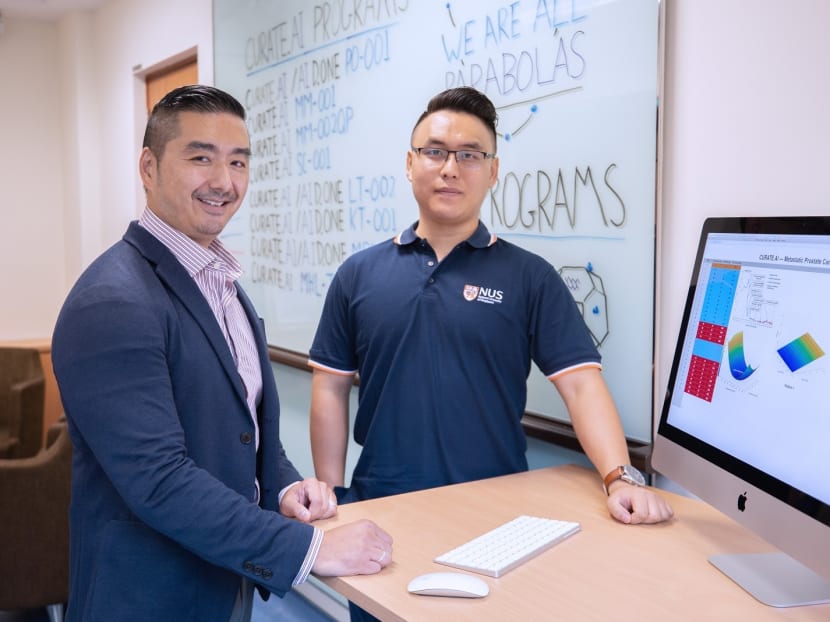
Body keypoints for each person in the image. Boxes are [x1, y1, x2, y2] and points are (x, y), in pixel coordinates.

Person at [52, 85, 392, 622]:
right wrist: (311, 549)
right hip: (147, 599)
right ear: (148, 166)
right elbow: (159, 479)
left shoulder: (221, 284)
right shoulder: (112, 300)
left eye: (238, 161)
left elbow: (242, 429)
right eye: (200, 158)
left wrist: (282, 489)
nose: (224, 181)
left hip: (220, 582)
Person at [309, 87, 674, 529]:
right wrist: (330, 498)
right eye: (434, 152)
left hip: (497, 510)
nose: (450, 169)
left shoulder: (530, 277)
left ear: (492, 171)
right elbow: (330, 387)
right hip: (379, 504)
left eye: (469, 155)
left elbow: (581, 385)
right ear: (410, 164)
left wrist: (621, 478)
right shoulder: (358, 273)